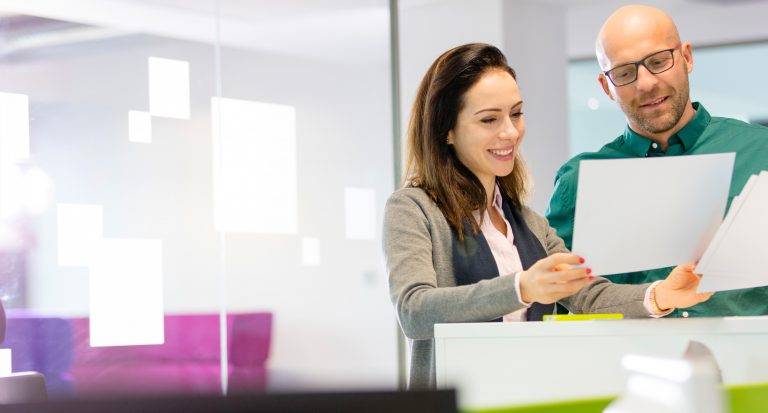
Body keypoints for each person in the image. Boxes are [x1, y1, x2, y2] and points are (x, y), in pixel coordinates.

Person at [383, 43, 713, 389]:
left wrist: (661, 295)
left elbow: (588, 295)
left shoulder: (529, 223)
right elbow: (414, 311)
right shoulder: (413, 209)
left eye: (516, 114)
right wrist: (522, 287)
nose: (510, 132)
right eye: (489, 119)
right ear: (447, 130)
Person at [546, 5, 768, 318]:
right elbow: (559, 303)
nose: (646, 83)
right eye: (624, 73)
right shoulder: (578, 181)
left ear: (687, 57)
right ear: (606, 87)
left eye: (658, 61)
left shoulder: (761, 152)